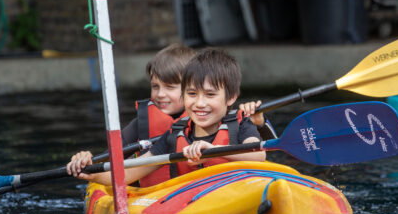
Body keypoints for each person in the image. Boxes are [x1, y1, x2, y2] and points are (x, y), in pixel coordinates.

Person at [67, 48, 266, 186]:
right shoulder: (173, 135)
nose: (199, 103)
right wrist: (90, 173)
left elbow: (258, 155)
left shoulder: (240, 124)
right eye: (191, 94)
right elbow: (128, 173)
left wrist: (213, 150)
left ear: (231, 97)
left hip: (234, 196)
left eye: (210, 94)